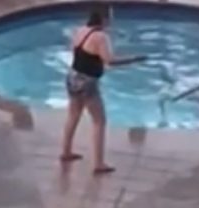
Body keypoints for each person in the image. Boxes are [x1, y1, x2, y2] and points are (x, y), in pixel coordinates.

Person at [60, 9, 145, 173]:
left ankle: (66, 151)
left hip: (72, 76)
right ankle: (98, 163)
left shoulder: (80, 31)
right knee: (99, 121)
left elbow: (75, 51)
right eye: (110, 17)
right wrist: (133, 59)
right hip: (87, 82)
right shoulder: (100, 37)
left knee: (73, 115)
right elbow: (109, 61)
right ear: (104, 19)